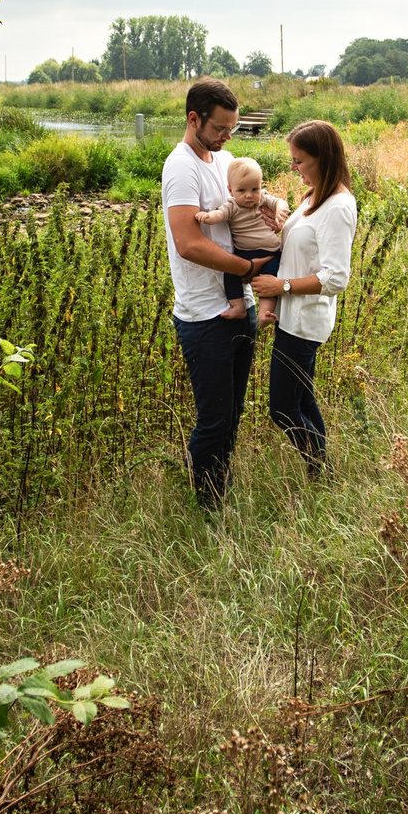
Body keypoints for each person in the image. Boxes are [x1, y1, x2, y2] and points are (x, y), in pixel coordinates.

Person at [163, 78, 264, 508]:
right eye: (221, 128)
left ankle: (218, 494)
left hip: (242, 308)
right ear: (194, 119)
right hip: (205, 317)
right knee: (215, 419)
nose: (227, 137)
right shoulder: (180, 167)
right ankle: (206, 509)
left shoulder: (221, 161)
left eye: (233, 129)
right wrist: (247, 269)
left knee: (233, 415)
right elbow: (188, 242)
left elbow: (242, 207)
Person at [250, 119, 357, 478]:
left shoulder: (339, 206)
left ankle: (322, 469)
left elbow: (336, 278)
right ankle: (321, 476)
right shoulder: (313, 197)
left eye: (299, 161)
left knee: (282, 408)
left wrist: (281, 288)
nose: (293, 167)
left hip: (305, 322)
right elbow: (302, 245)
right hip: (291, 317)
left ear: (322, 157)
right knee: (302, 400)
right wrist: (278, 228)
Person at [195, 156, 289, 324]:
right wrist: (209, 217)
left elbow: (279, 202)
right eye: (242, 191)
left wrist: (280, 210)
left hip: (271, 252)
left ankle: (265, 313)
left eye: (255, 189)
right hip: (244, 253)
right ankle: (238, 307)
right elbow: (221, 214)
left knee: (269, 281)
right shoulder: (232, 206)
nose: (249, 195)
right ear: (231, 191)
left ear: (261, 187)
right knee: (230, 274)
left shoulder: (262, 199)